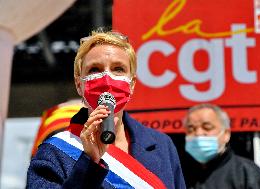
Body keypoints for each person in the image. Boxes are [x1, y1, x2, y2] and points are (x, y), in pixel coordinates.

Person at [26, 29, 186, 189]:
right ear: (79, 84)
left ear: (132, 84)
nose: (107, 78)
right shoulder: (55, 152)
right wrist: (89, 163)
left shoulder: (162, 146)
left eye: (118, 69)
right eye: (94, 69)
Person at [181, 103, 260, 189]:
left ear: (226, 134)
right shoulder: (179, 173)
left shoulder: (246, 173)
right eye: (191, 129)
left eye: (207, 127)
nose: (198, 133)